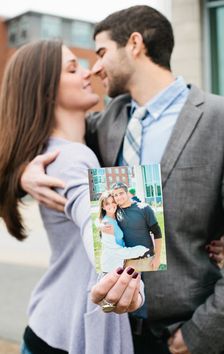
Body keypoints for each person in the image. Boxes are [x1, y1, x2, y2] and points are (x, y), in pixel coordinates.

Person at [19, 5, 224, 354]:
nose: (97, 67)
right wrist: (22, 173)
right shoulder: (107, 121)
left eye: (102, 52)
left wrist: (199, 338)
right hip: (110, 329)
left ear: (134, 44)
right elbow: (39, 135)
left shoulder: (223, 118)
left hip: (178, 334)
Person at [0, 40, 143, 354]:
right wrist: (123, 277)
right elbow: (93, 218)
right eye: (72, 68)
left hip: (50, 327)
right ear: (47, 90)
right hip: (69, 335)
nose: (87, 73)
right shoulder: (74, 157)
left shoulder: (57, 151)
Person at [110, 182, 162, 272]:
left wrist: (157, 258)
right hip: (127, 262)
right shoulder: (114, 211)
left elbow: (157, 233)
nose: (118, 197)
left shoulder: (144, 208)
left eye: (121, 193)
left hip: (146, 260)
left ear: (127, 193)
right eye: (115, 195)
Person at [98, 190, 149, 272]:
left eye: (113, 202)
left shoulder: (117, 217)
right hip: (111, 267)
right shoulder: (107, 225)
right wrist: (142, 249)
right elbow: (116, 251)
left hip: (120, 263)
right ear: (103, 207)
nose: (111, 205)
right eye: (107, 203)